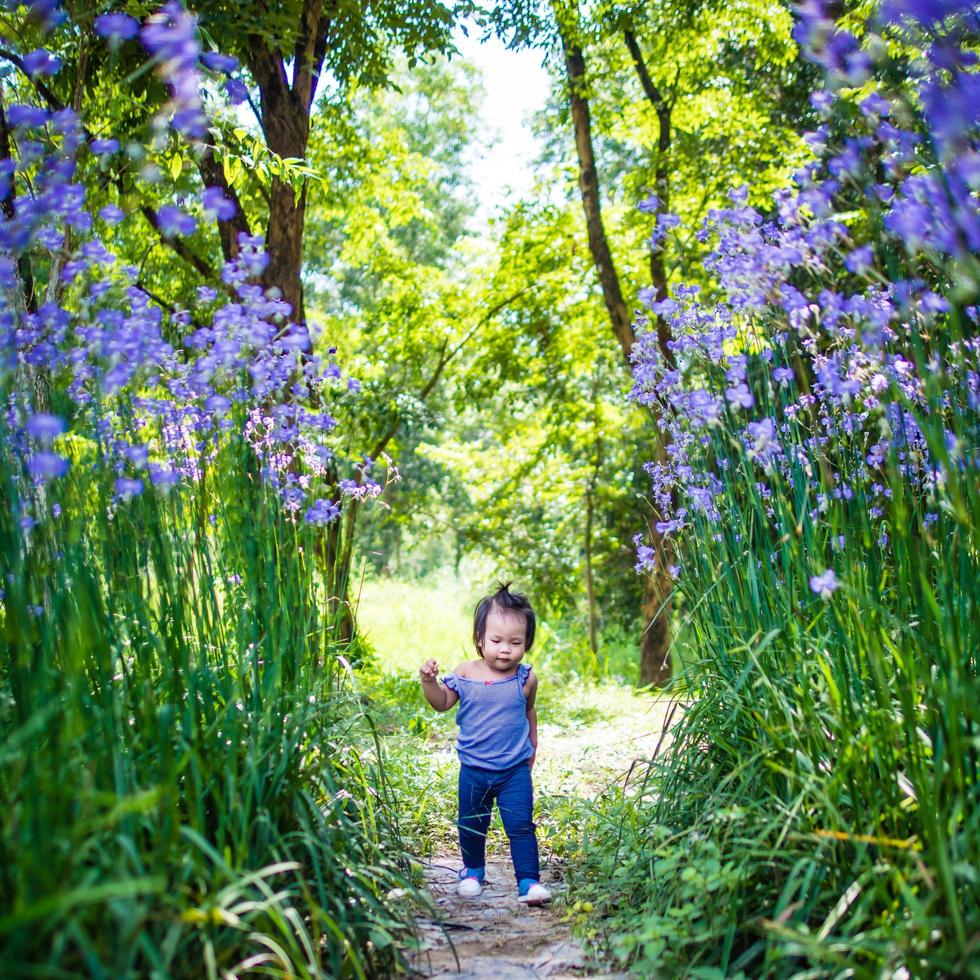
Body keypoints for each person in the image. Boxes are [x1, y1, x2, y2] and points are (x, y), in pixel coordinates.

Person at [418, 582, 552, 905]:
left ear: (526, 644)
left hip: (513, 771)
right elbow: (442, 702)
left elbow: (528, 711)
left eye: (515, 642)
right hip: (474, 770)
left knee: (520, 825)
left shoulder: (526, 678)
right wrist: (428, 682)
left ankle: (529, 882)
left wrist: (533, 746)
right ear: (479, 639)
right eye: (496, 640)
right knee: (472, 823)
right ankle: (473, 871)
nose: (505, 649)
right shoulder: (465, 673)